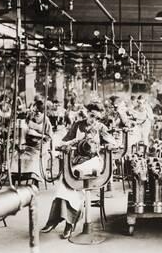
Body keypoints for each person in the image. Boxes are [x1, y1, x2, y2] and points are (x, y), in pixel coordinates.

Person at [40, 102, 117, 239]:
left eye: (98, 118)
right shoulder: (77, 125)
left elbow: (115, 143)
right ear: (87, 113)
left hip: (93, 162)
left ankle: (68, 224)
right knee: (66, 182)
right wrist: (70, 143)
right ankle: (59, 220)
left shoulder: (101, 127)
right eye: (92, 116)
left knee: (73, 181)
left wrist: (108, 146)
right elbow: (63, 142)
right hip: (78, 161)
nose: (94, 120)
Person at [11, 99, 53, 182]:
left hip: (40, 146)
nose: (36, 114)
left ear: (43, 111)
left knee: (34, 157)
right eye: (34, 111)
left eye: (39, 112)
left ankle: (34, 176)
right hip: (29, 145)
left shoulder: (46, 121)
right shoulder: (30, 117)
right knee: (17, 155)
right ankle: (19, 174)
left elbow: (49, 138)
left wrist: (37, 134)